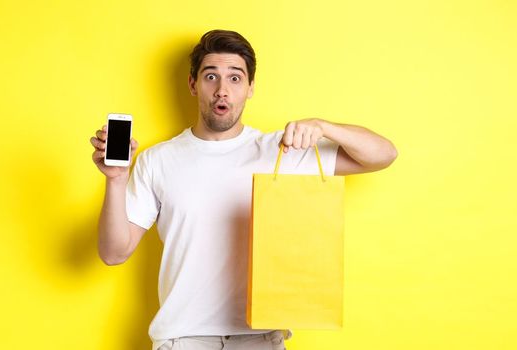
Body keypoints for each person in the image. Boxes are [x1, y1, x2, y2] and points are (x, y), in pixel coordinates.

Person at [89, 30, 397, 350]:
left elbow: (384, 154)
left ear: (250, 88)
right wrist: (115, 179)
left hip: (261, 339)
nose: (222, 90)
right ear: (194, 85)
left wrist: (323, 126)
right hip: (182, 340)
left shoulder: (282, 151)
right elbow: (114, 253)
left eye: (235, 79)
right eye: (211, 77)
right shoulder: (158, 160)